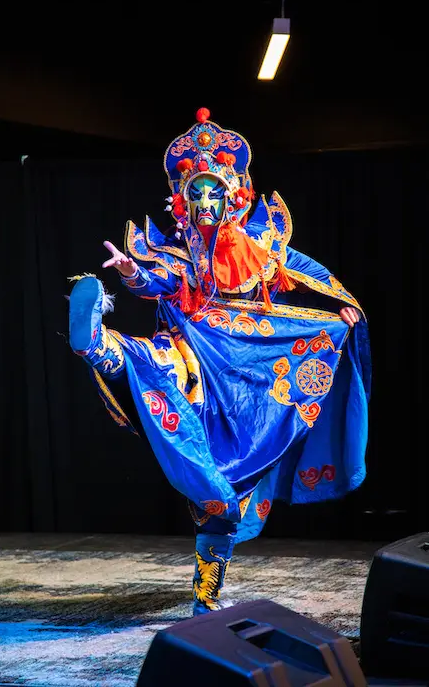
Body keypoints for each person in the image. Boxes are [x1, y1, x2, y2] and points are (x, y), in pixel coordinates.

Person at [68, 108, 371, 615]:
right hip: (200, 354)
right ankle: (98, 342)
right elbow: (157, 280)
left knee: (227, 498)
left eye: (213, 191)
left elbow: (304, 270)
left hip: (255, 377)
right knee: (160, 364)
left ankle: (205, 595)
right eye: (195, 193)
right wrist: (129, 272)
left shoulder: (263, 243)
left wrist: (341, 303)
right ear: (182, 201)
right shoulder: (180, 250)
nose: (205, 200)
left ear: (234, 193)